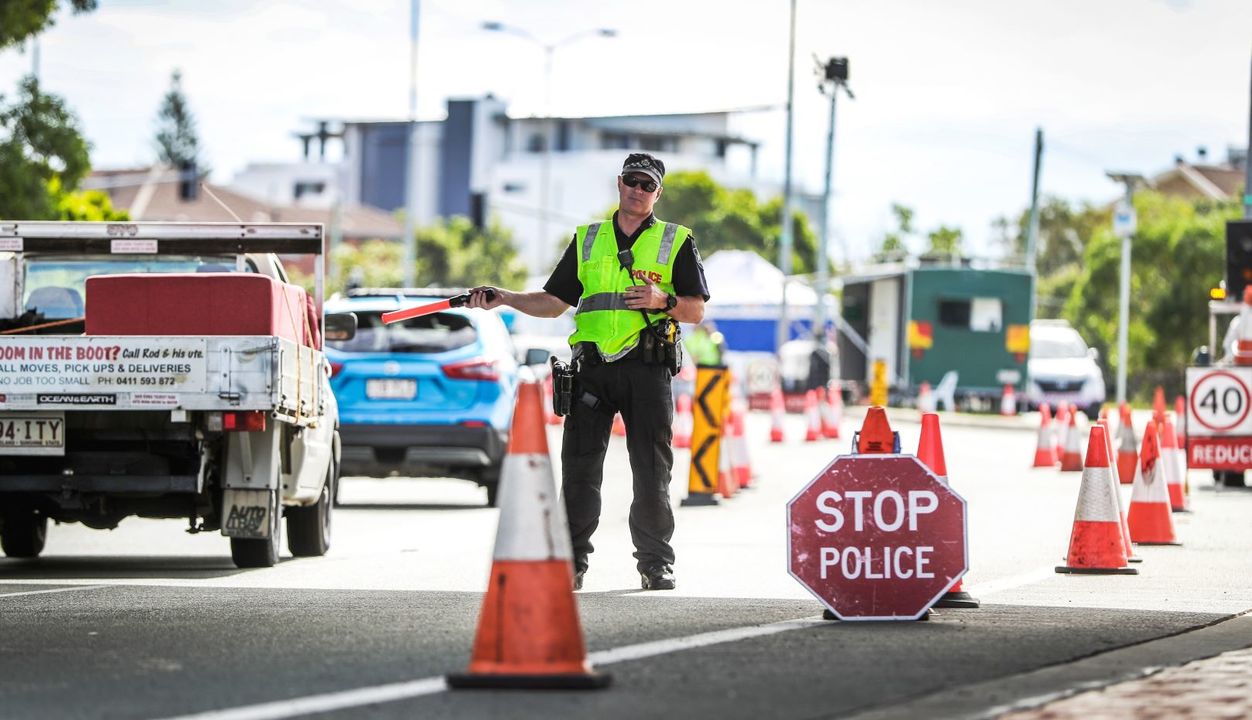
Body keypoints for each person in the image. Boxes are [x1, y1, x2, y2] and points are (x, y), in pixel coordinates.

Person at [467, 152, 710, 591]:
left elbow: (695, 309)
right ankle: (571, 562)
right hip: (592, 369)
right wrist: (504, 297)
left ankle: (656, 563)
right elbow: (553, 301)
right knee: (579, 471)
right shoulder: (587, 239)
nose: (639, 190)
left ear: (658, 192)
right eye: (633, 181)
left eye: (648, 185)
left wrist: (663, 301)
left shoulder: (677, 240)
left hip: (647, 368)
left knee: (652, 470)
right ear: (620, 183)